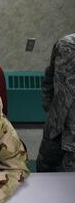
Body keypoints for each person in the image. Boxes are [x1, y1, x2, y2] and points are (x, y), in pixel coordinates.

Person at [36, 33, 75, 172]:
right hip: (55, 127)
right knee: (44, 173)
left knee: (68, 185)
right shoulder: (65, 44)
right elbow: (50, 75)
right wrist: (48, 105)